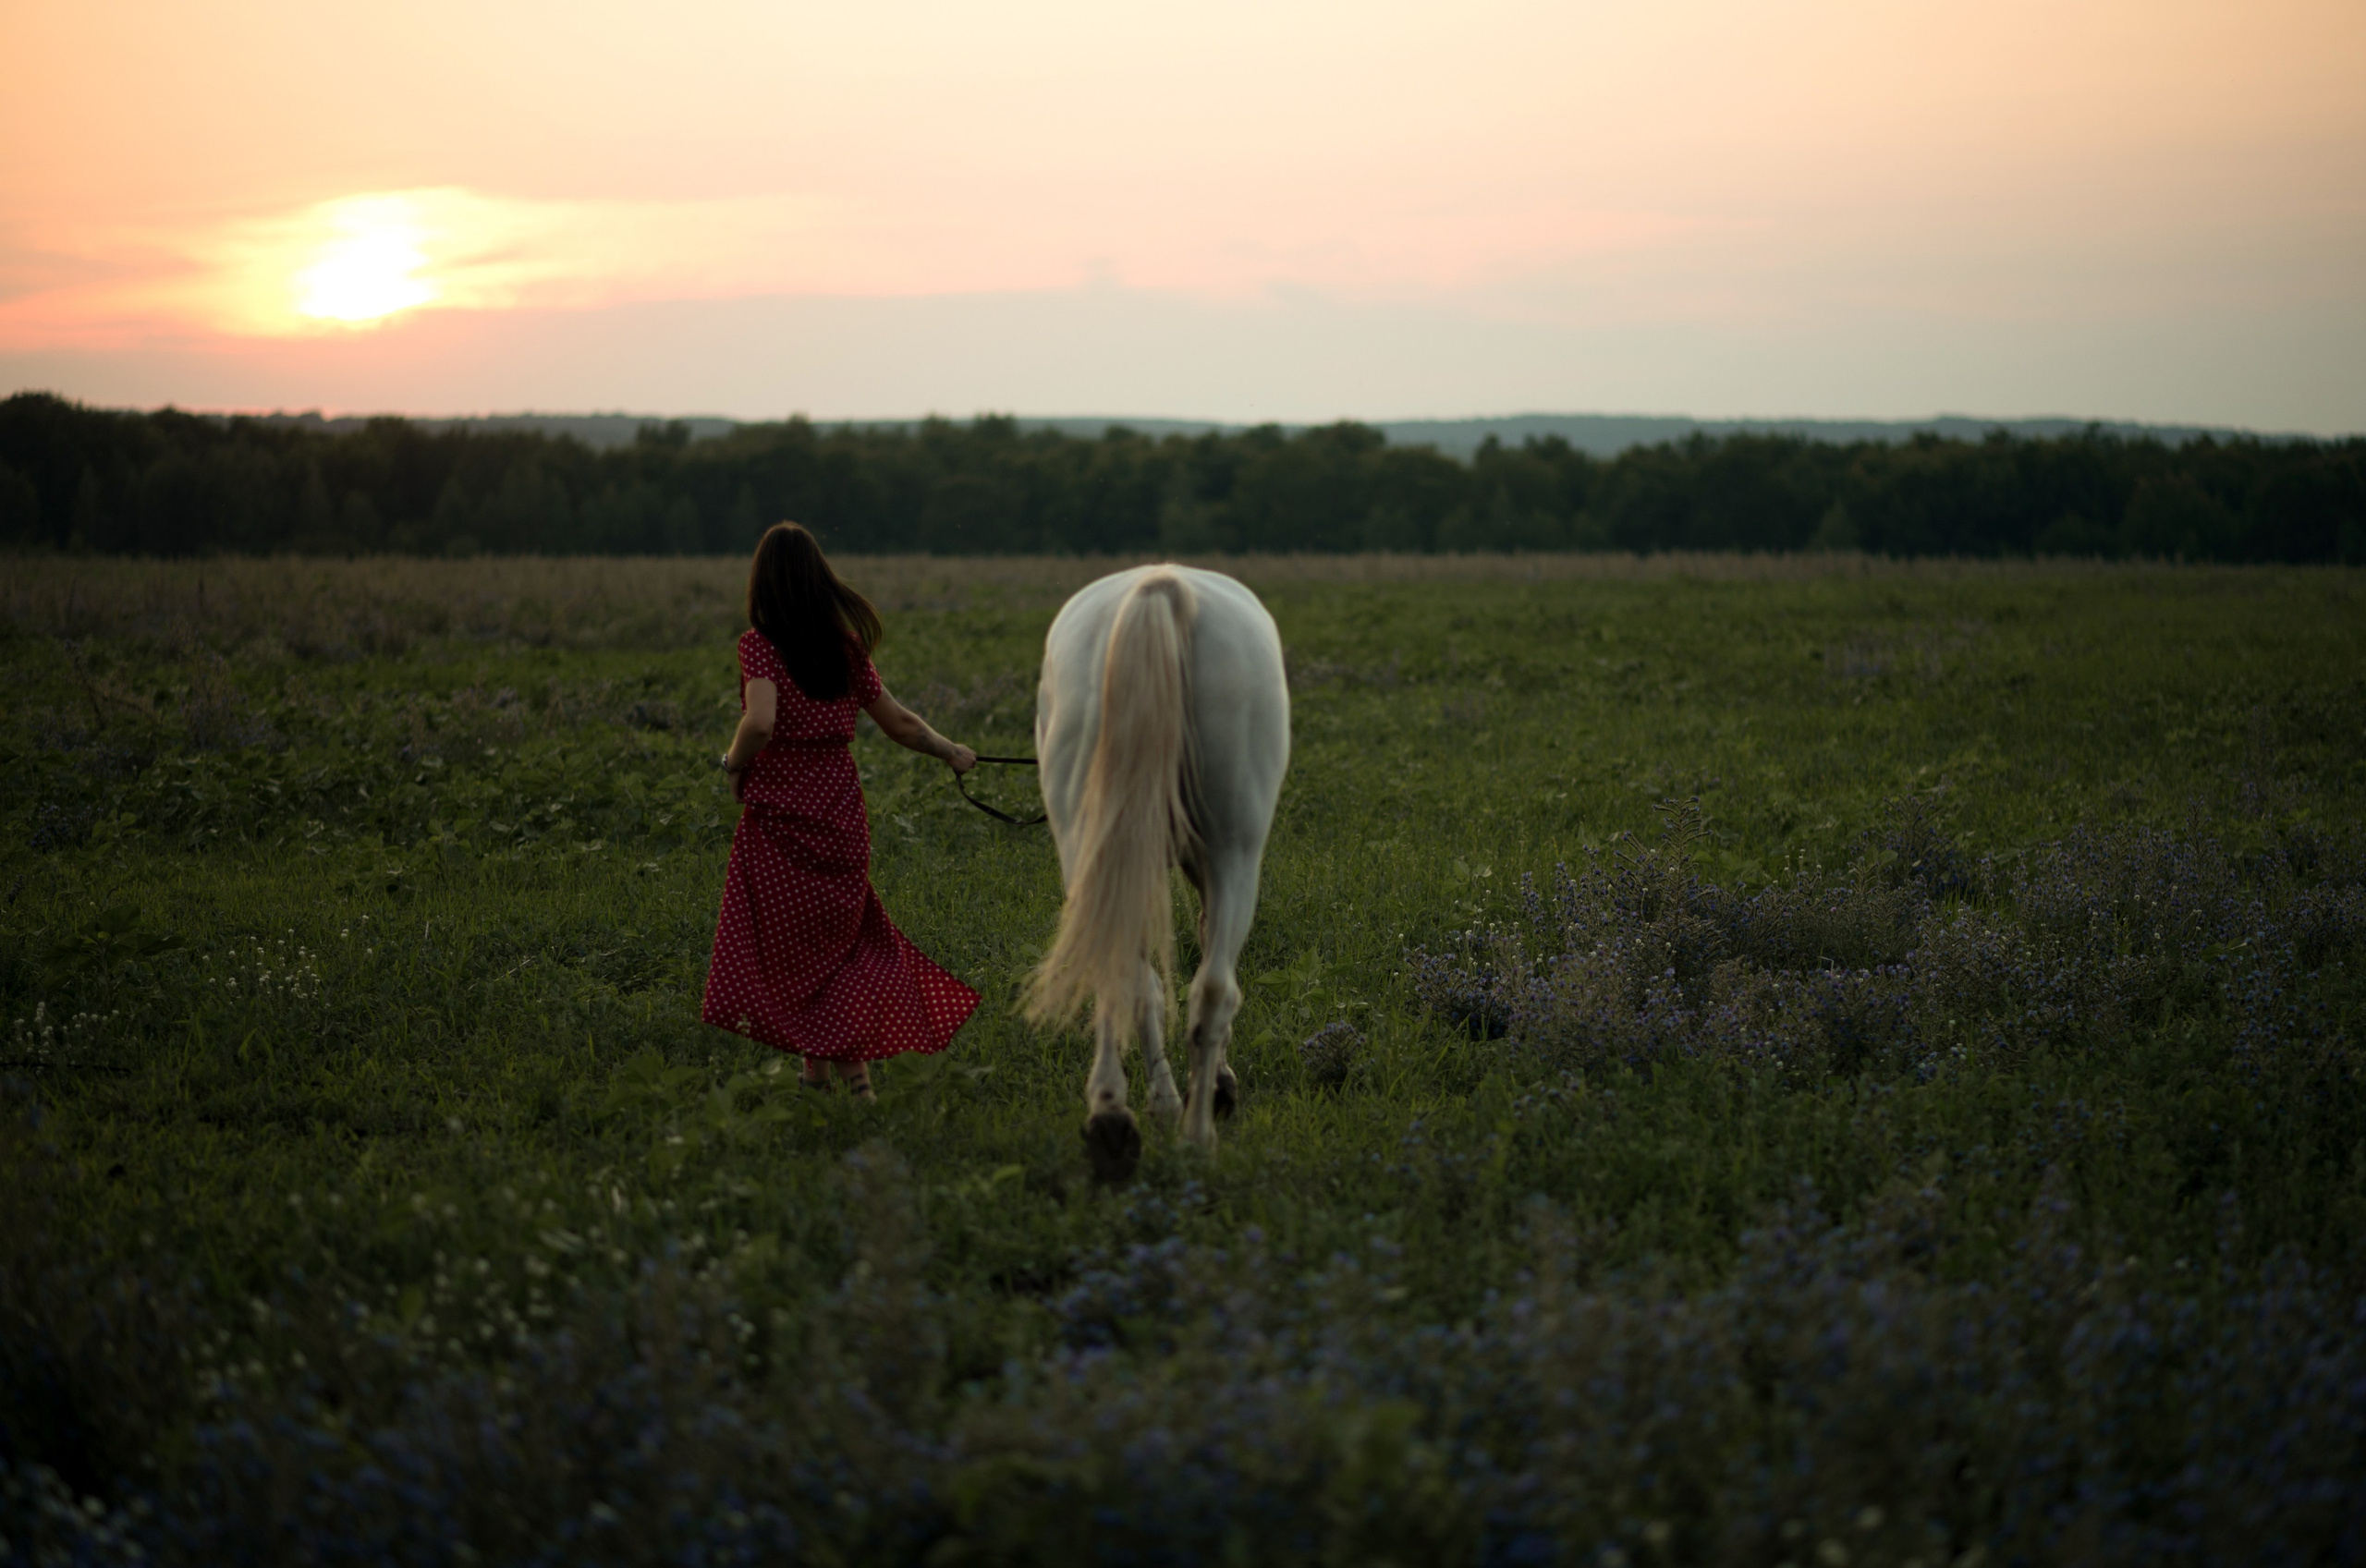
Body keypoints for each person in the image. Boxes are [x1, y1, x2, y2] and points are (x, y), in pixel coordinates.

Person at [702, 522, 981, 1098]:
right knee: (839, 944)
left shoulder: (759, 646)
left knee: (792, 950)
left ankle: (854, 1079)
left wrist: (732, 765)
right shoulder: (844, 647)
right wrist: (949, 750)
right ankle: (816, 1078)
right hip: (839, 814)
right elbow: (899, 722)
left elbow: (759, 722)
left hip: (781, 815)